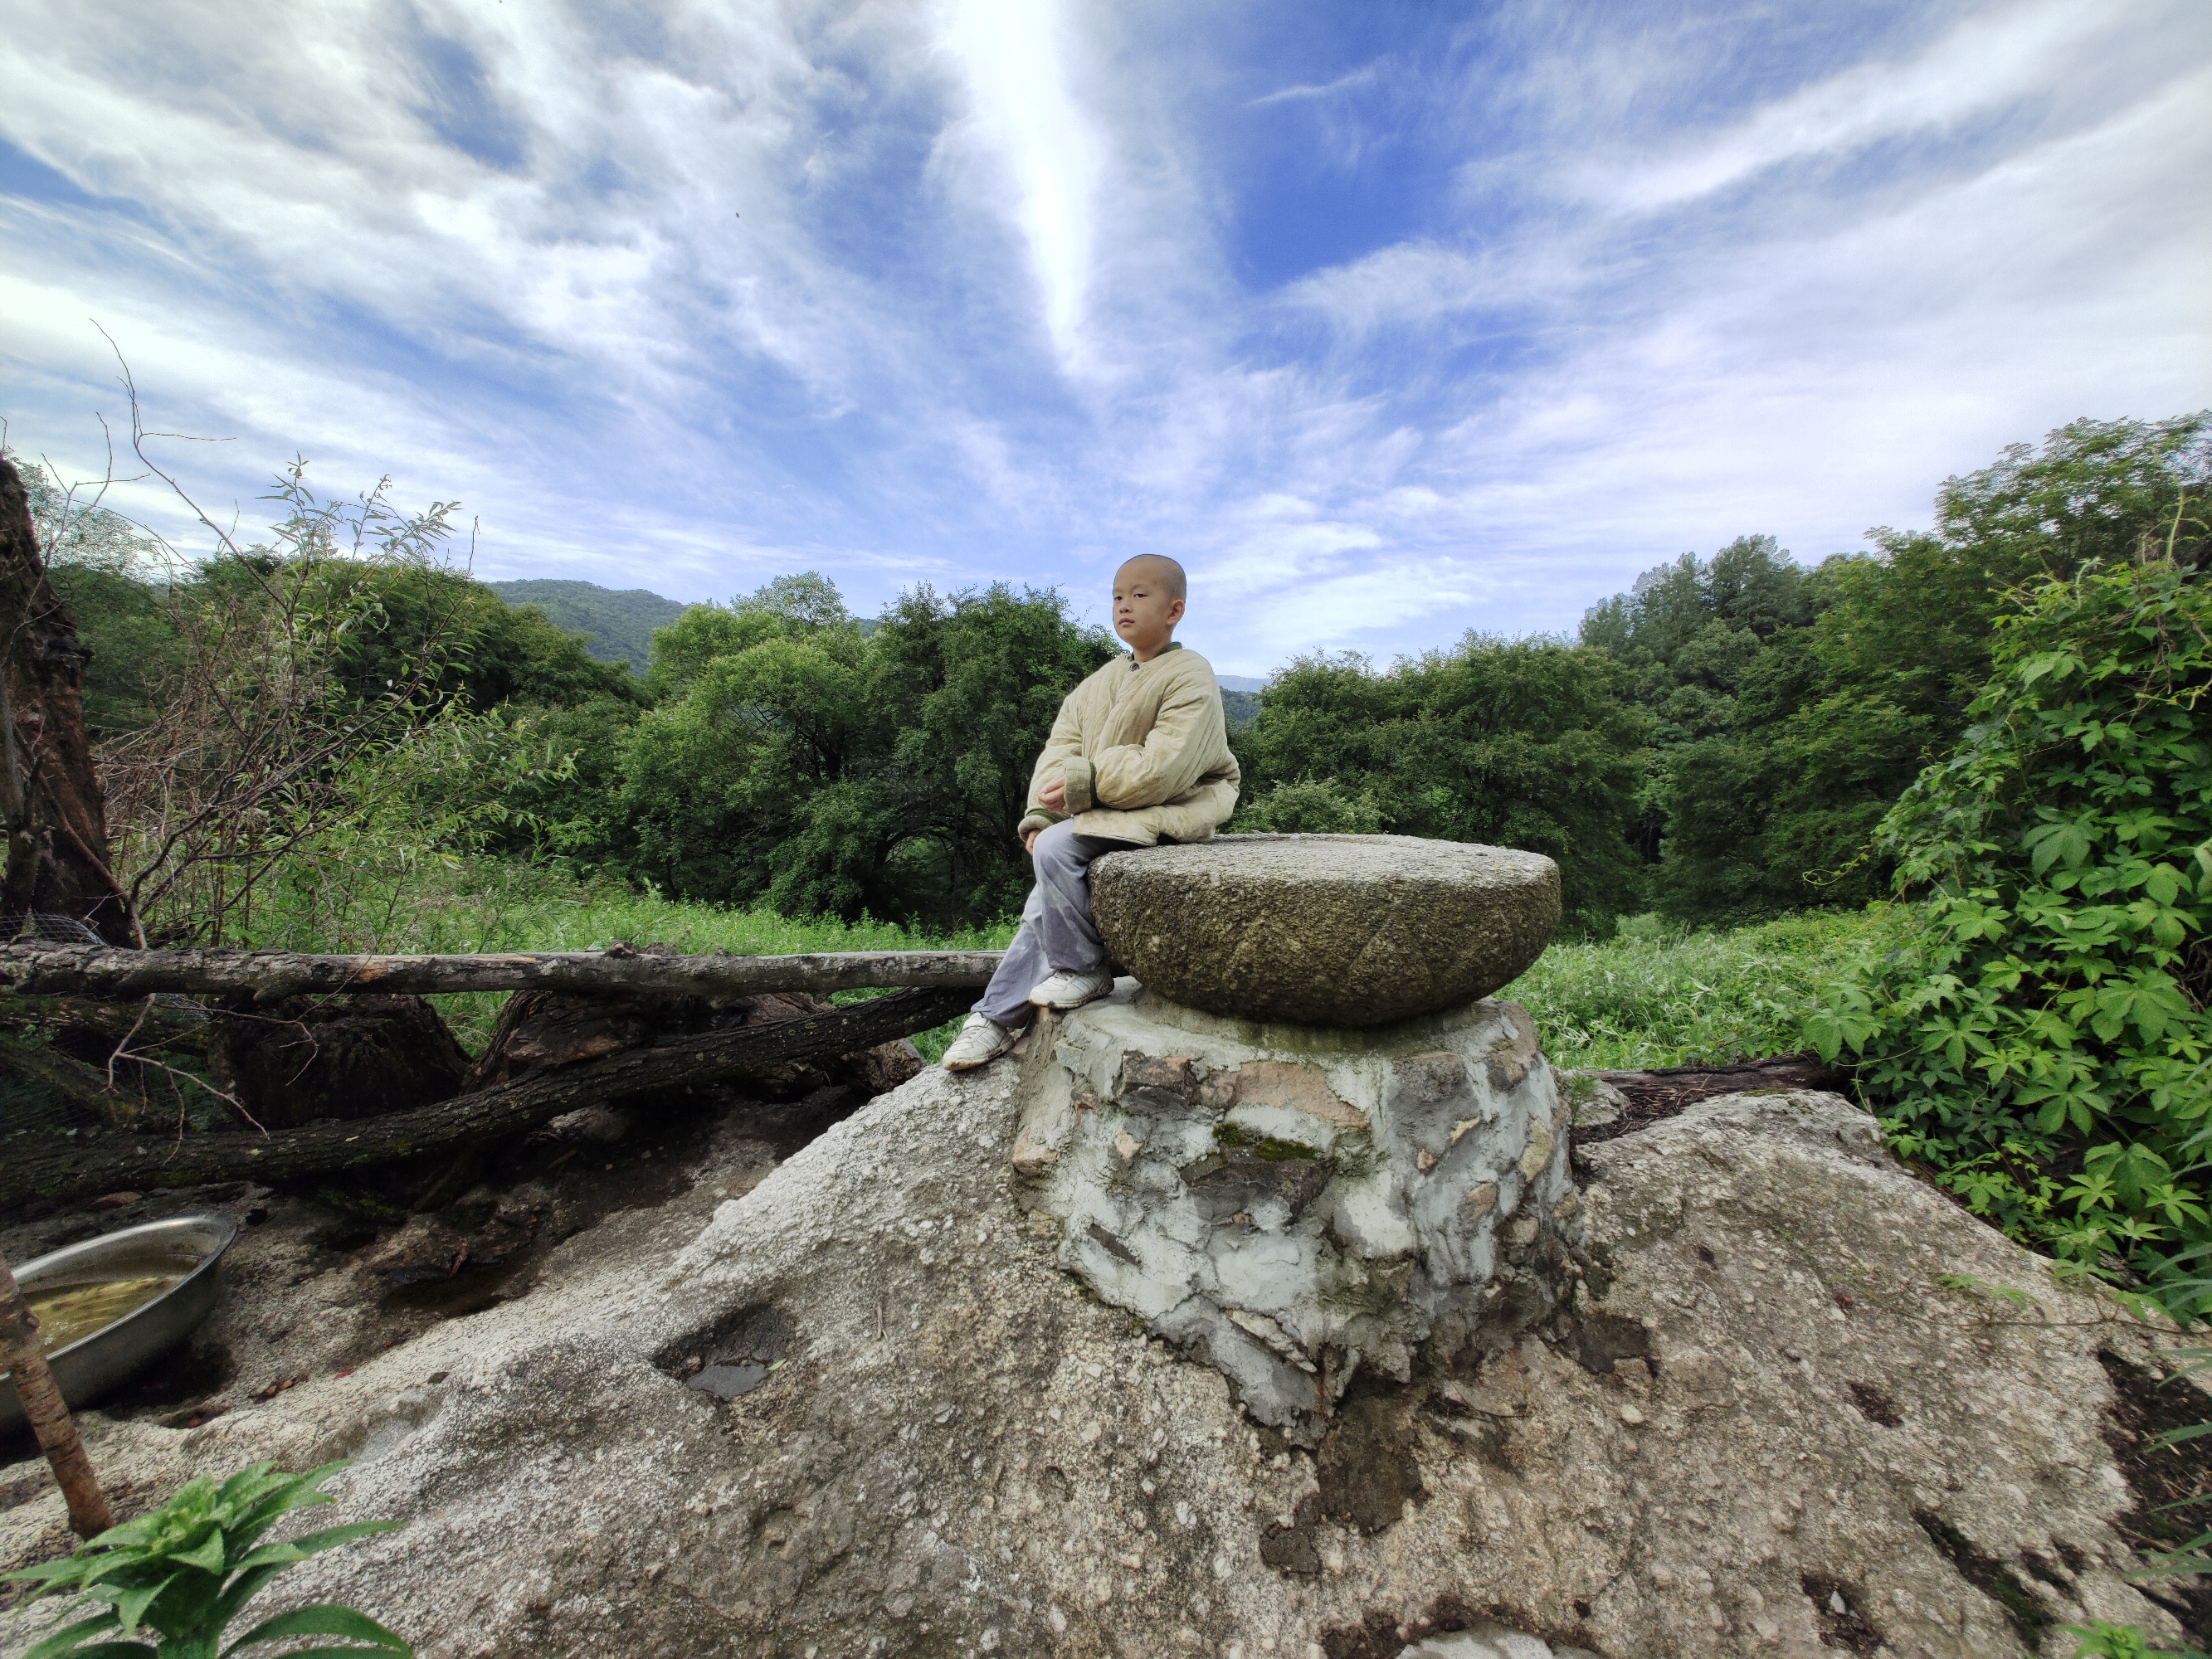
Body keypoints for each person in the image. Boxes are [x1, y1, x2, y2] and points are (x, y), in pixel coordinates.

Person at [941, 555, 1240, 1070]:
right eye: (1117, 595)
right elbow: (1061, 749)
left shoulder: (1192, 674)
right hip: (1113, 811)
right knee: (1045, 890)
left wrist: (1087, 782)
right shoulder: (1099, 682)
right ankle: (992, 1018)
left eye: (1140, 595)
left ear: (1175, 610)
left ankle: (1077, 971)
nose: (1124, 604)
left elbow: (1164, 768)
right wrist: (1041, 813)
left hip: (1176, 805)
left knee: (1057, 853)